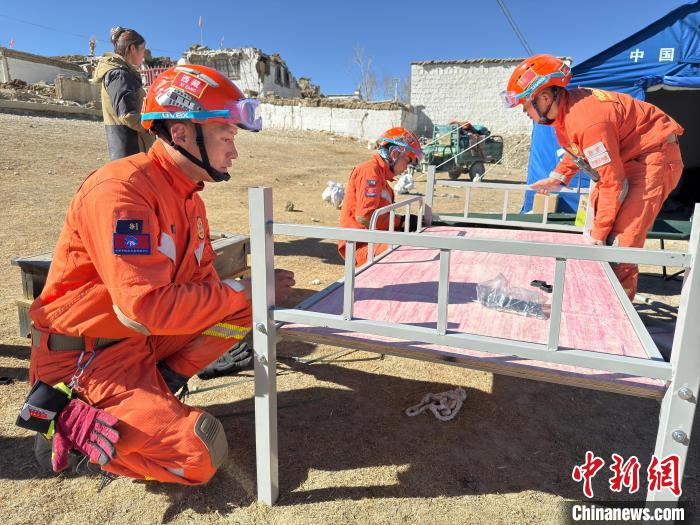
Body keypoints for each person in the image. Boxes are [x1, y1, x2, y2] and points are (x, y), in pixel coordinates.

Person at [23, 64, 295, 485]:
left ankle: (164, 381)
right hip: (86, 359)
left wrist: (250, 292)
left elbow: (203, 287)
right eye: (226, 137)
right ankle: (72, 431)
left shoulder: (188, 198)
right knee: (200, 453)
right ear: (182, 133)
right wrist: (246, 288)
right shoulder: (122, 191)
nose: (234, 152)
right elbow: (145, 307)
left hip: (141, 342)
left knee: (247, 304)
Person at [501, 54, 684, 299]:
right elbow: (579, 150)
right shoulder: (567, 112)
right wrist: (558, 177)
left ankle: (616, 310)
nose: (525, 112)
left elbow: (612, 183)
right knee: (597, 227)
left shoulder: (587, 120)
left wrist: (599, 237)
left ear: (543, 98)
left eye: (526, 106)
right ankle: (597, 293)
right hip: (629, 156)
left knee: (620, 244)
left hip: (654, 158)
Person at [338, 127, 423, 267]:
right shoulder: (370, 171)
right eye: (407, 161)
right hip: (360, 245)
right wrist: (401, 222)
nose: (406, 168)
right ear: (395, 154)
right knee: (410, 251)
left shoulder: (381, 176)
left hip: (372, 239)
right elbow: (366, 217)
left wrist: (402, 223)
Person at [94, 27, 154, 160]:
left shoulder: (121, 73)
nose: (143, 54)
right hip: (130, 147)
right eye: (142, 49)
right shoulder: (120, 75)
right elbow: (127, 115)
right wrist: (152, 126)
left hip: (129, 145)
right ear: (132, 48)